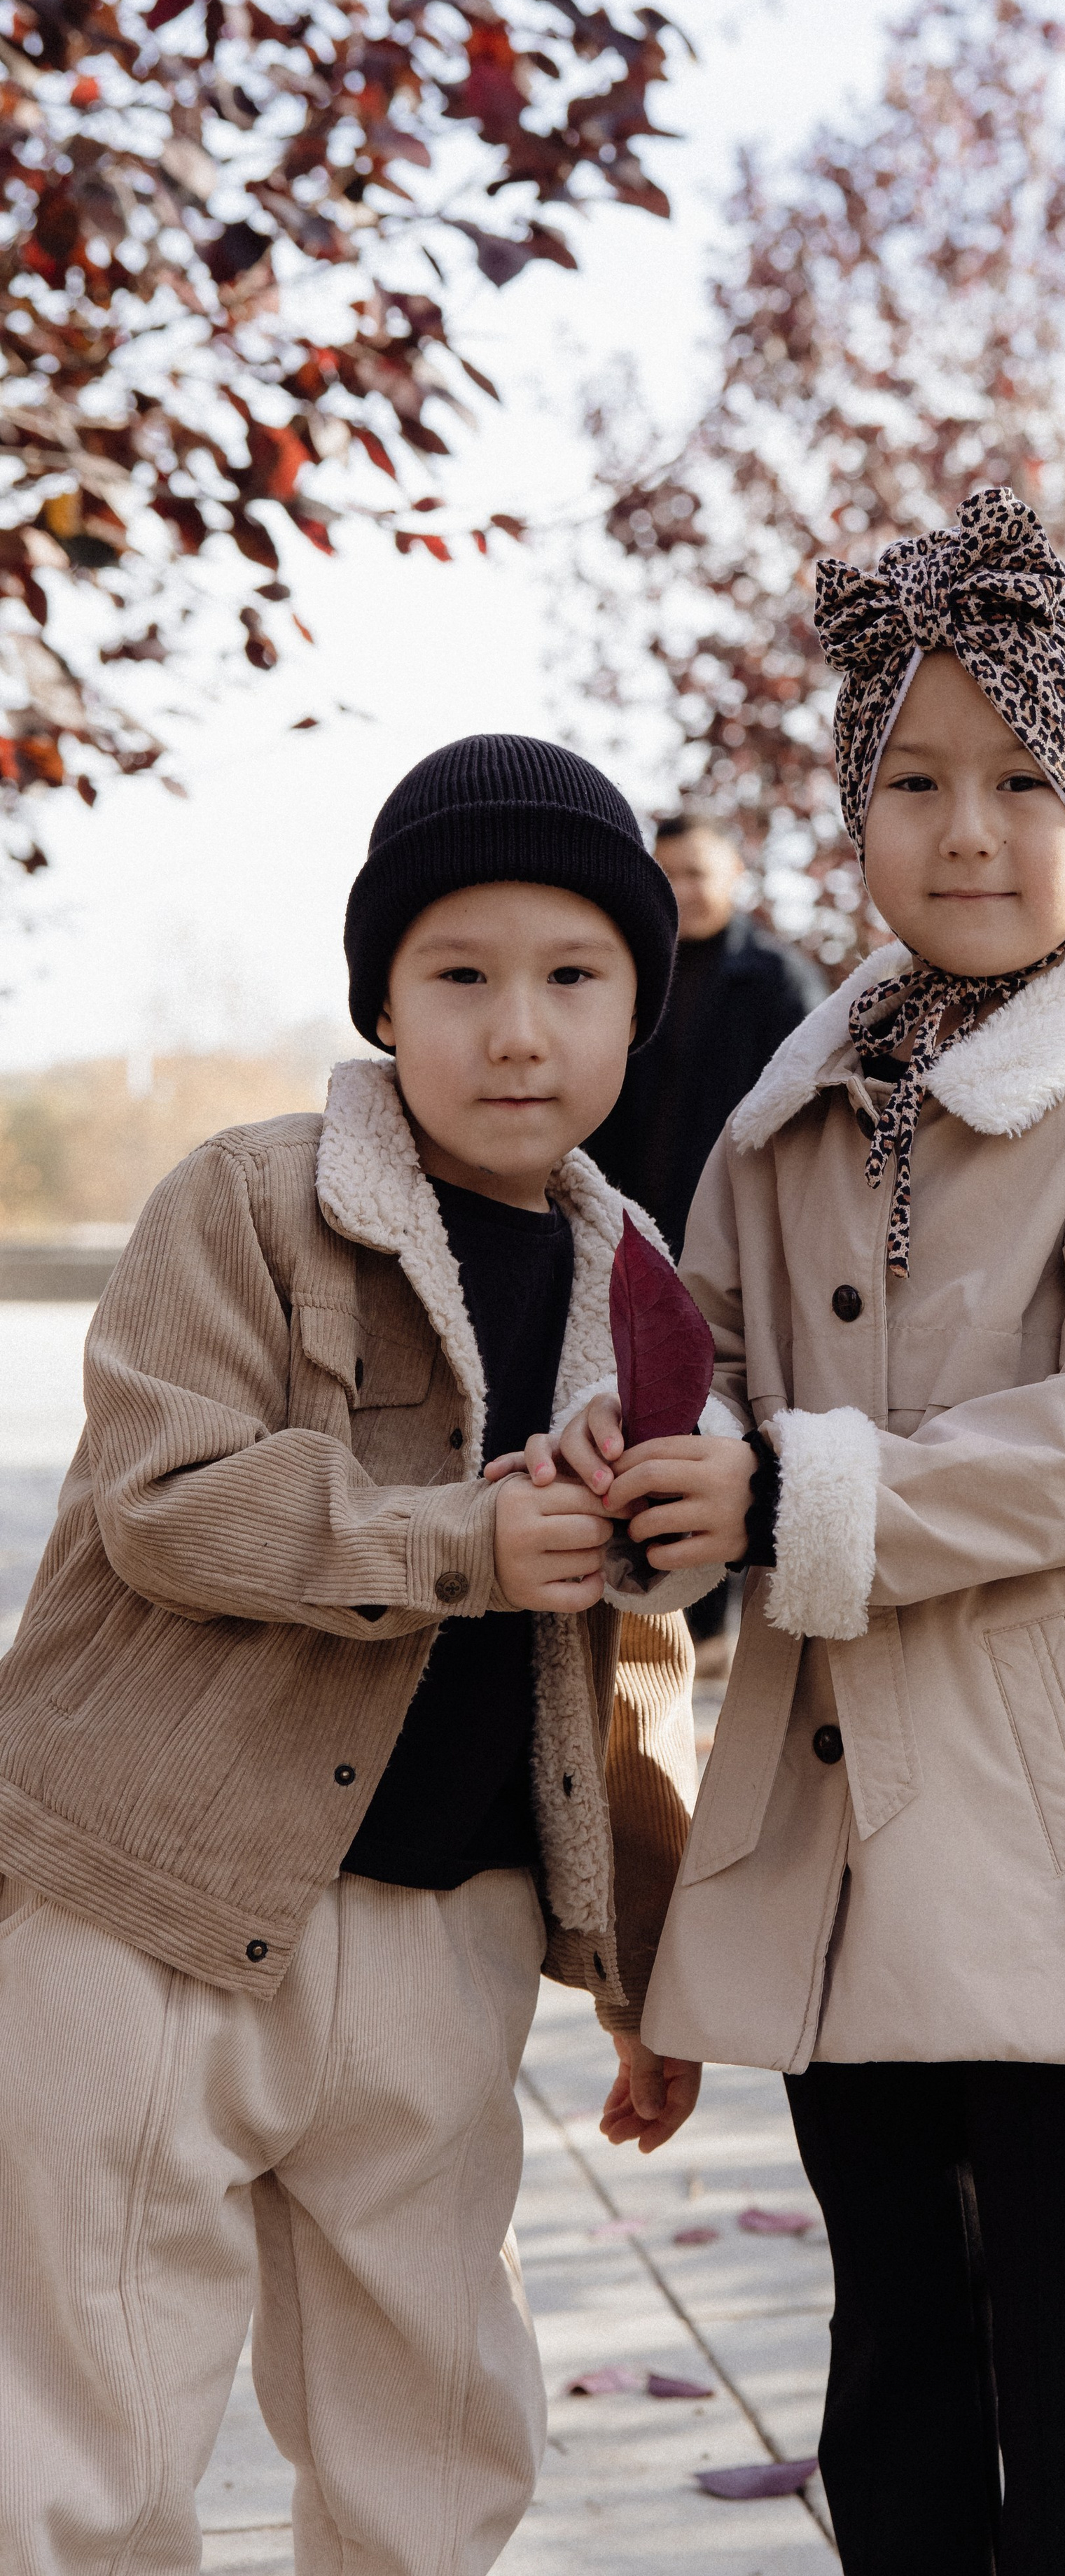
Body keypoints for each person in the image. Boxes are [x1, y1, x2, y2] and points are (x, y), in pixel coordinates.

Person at [543, 489, 1065, 2574]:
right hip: (834, 1808)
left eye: (1022, 780)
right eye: (913, 780)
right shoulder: (782, 1116)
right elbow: (697, 1351)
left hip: (1053, 1803)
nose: (967, 829)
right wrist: (641, 1452)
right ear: (851, 817)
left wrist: (795, 1493)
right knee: (888, 2317)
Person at [0, 734, 754, 2574]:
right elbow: (164, 1501)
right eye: (461, 976)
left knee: (434, 2432)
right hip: (151, 1906)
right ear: (384, 1001)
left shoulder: (640, 1287)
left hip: (444, 1943)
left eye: (573, 978)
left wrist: (647, 1970)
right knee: (83, 2435)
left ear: (637, 1009)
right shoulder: (249, 1204)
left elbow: (635, 1660)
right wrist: (458, 1542)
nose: (519, 1032)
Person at [585, 812, 826, 1260]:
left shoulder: (779, 981)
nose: (680, 890)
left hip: (733, 1230)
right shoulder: (628, 973)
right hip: (620, 1224)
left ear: (735, 870)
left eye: (695, 874)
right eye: (668, 876)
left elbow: (810, 1118)